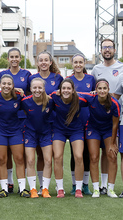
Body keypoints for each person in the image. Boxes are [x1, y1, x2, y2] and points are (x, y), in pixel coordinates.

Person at [91, 39, 123, 194]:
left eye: (110, 47)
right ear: (101, 50)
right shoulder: (96, 69)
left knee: (110, 152)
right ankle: (101, 186)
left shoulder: (122, 67)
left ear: (114, 50)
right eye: (104, 47)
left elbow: (118, 93)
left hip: (116, 117)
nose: (107, 50)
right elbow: (91, 92)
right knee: (96, 155)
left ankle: (109, 187)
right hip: (98, 118)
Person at [28, 50, 62, 194]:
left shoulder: (57, 78)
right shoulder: (32, 77)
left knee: (45, 156)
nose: (43, 62)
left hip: (50, 122)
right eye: (40, 60)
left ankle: (44, 186)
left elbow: (63, 95)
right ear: (37, 62)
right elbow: (25, 98)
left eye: (46, 60)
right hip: (33, 123)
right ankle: (35, 187)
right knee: (35, 156)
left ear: (50, 62)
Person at [0, 74, 28, 198]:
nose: (6, 86)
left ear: (13, 86)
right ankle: (4, 189)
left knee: (19, 159)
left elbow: (30, 105)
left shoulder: (19, 97)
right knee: (2, 160)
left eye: (9, 84)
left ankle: (22, 188)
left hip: (15, 131)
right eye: (4, 83)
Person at [0, 48, 31, 193]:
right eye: (11, 56)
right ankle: (8, 184)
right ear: (8, 59)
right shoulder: (2, 75)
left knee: (19, 155)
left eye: (17, 56)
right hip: (3, 120)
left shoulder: (26, 74)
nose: (14, 59)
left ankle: (22, 187)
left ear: (20, 57)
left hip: (21, 119)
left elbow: (31, 93)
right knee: (5, 156)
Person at [82, 79, 120, 198]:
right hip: (93, 129)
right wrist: (58, 92)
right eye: (100, 88)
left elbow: (115, 125)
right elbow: (76, 94)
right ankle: (96, 189)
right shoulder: (91, 98)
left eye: (105, 88)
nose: (102, 91)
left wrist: (113, 143)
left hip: (109, 130)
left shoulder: (115, 103)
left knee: (112, 156)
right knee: (93, 157)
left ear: (108, 90)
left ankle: (110, 189)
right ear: (96, 90)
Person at [51, 78, 87, 198]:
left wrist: (93, 92)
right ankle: (60, 188)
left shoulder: (80, 99)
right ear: (59, 90)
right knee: (57, 157)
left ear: (73, 90)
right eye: (63, 88)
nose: (66, 90)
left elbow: (95, 98)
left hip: (76, 130)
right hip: (59, 130)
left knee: (78, 156)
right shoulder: (54, 97)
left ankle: (78, 189)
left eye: (68, 88)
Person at [67, 53, 96, 195]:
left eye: (80, 62)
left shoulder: (91, 79)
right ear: (72, 64)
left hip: (89, 121)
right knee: (74, 155)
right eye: (75, 62)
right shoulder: (68, 80)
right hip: (74, 123)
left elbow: (96, 97)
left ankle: (85, 185)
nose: (78, 65)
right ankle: (74, 185)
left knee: (87, 154)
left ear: (84, 63)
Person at [21, 77, 53, 198]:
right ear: (31, 89)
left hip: (46, 133)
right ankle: (33, 189)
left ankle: (45, 189)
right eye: (35, 87)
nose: (37, 90)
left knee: (48, 160)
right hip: (30, 133)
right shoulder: (25, 101)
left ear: (44, 89)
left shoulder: (50, 101)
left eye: (40, 87)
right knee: (30, 160)